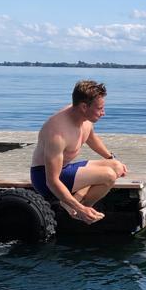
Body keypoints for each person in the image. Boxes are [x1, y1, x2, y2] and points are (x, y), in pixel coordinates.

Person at [30, 80, 127, 224]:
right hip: (44, 177)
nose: (103, 113)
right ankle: (80, 210)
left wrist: (110, 157)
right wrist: (80, 208)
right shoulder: (57, 134)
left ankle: (72, 202)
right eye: (100, 108)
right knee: (108, 176)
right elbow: (52, 181)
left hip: (65, 169)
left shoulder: (83, 117)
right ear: (83, 107)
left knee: (116, 167)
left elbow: (91, 138)